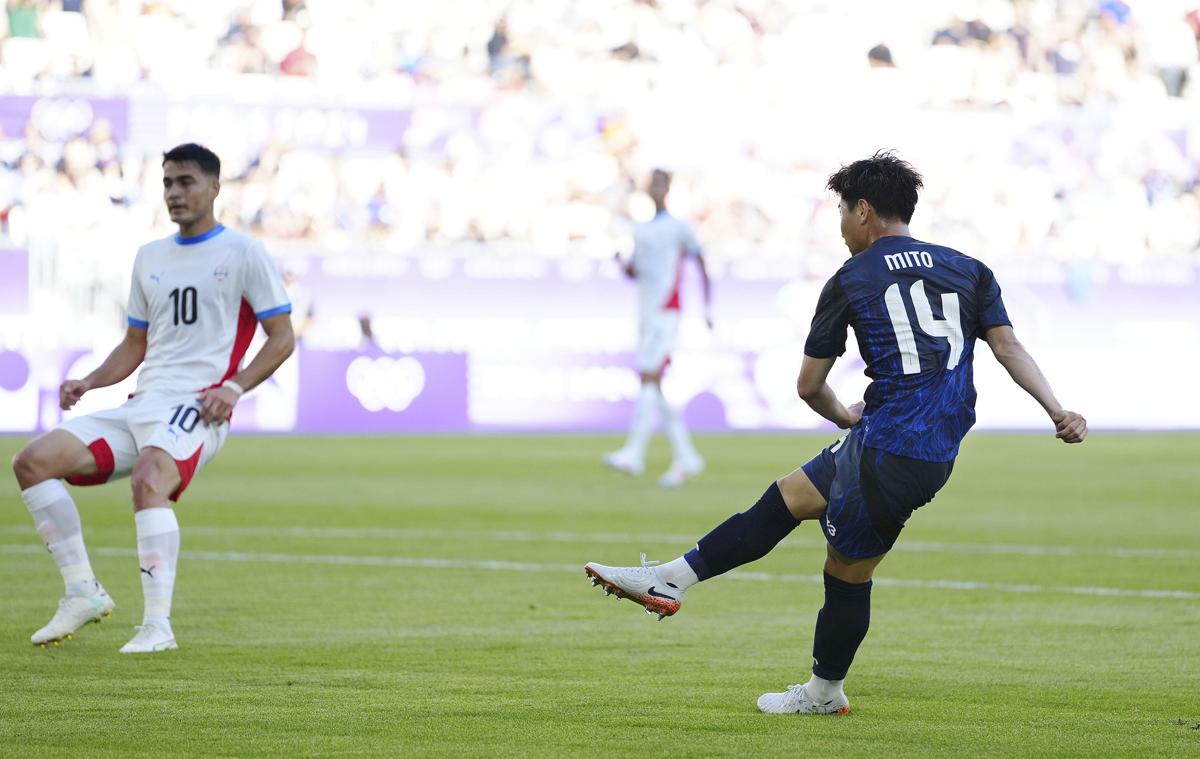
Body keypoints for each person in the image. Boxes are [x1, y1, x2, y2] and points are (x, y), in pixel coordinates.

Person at [585, 151, 1087, 714]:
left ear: (864, 210)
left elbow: (808, 386)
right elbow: (1008, 347)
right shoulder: (969, 269)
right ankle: (669, 579)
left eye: (842, 212)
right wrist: (1057, 410)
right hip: (919, 445)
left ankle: (824, 693)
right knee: (788, 496)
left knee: (847, 570)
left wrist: (844, 416)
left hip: (887, 449)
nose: (841, 227)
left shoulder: (852, 278)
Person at [10, 143, 294, 653]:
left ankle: (157, 627)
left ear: (214, 187)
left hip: (198, 405)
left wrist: (233, 387)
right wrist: (91, 382)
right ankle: (82, 592)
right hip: (142, 403)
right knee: (33, 462)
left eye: (186, 182)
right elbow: (135, 344)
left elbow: (282, 338)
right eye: (167, 183)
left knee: (150, 479)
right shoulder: (150, 257)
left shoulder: (244, 252)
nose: (174, 193)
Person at [604, 169, 713, 488]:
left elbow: (700, 262)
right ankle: (687, 457)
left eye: (660, 183)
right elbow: (636, 271)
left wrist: (707, 308)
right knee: (653, 384)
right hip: (646, 313)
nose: (655, 188)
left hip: (667, 311)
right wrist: (621, 262)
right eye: (651, 183)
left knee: (650, 376)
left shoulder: (679, 227)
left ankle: (634, 453)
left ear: (668, 188)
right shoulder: (640, 230)